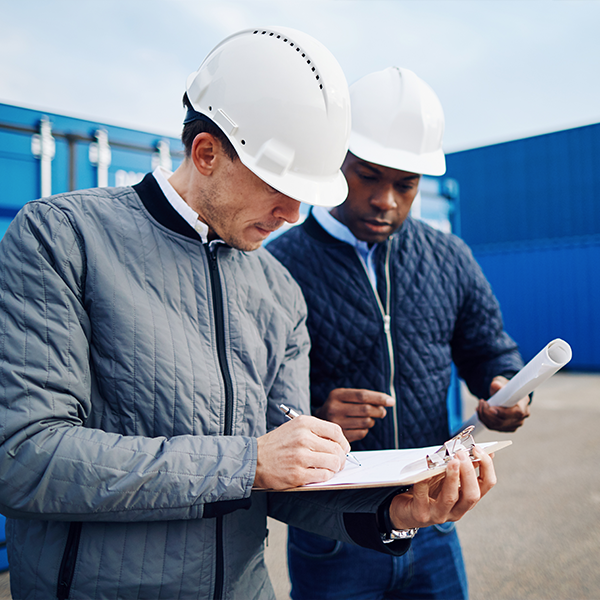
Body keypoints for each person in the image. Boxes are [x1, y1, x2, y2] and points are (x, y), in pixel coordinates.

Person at [0, 32, 496, 600]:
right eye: (279, 188)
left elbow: (286, 478)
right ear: (207, 153)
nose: (291, 215)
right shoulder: (62, 240)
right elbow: (23, 457)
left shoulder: (278, 289)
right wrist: (246, 461)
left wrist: (393, 511)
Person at [269, 66, 529, 600]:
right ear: (335, 160)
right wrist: (317, 414)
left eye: (405, 184)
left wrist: (505, 389)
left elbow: (489, 351)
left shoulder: (448, 257)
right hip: (333, 529)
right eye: (368, 176)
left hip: (434, 519)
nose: (386, 199)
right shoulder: (278, 265)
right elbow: (251, 396)